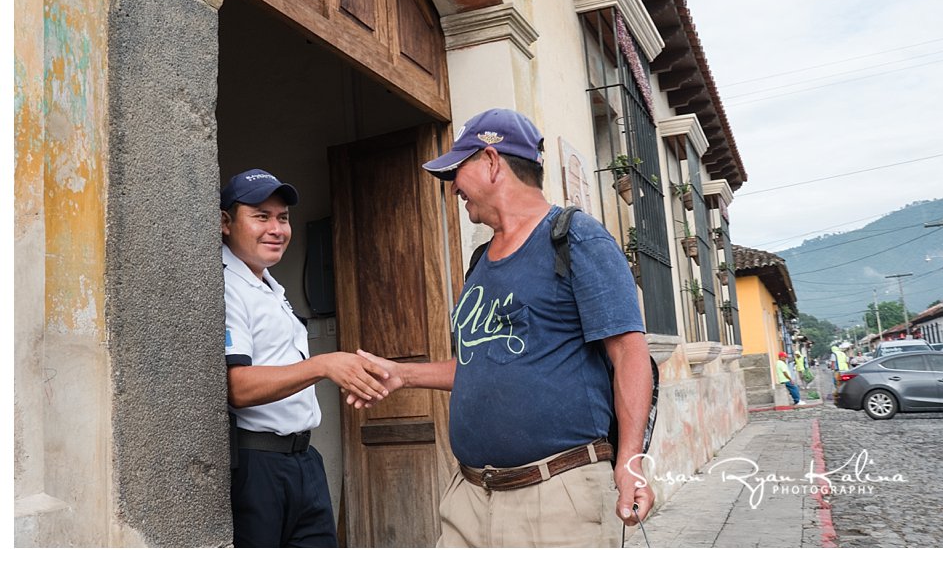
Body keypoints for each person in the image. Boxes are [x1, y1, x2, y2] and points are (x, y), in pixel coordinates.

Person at [349, 108, 656, 547]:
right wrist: (403, 375)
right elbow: (481, 365)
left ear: (492, 162)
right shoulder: (479, 261)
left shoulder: (576, 237)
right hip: (470, 499)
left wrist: (630, 464)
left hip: (557, 498)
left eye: (459, 170)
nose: (453, 186)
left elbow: (629, 353)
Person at [221, 168, 391, 547]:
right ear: (225, 223)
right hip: (258, 466)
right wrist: (324, 365)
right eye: (261, 216)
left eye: (282, 218)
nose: (276, 229)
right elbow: (237, 387)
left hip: (303, 460)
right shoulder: (227, 286)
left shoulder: (267, 284)